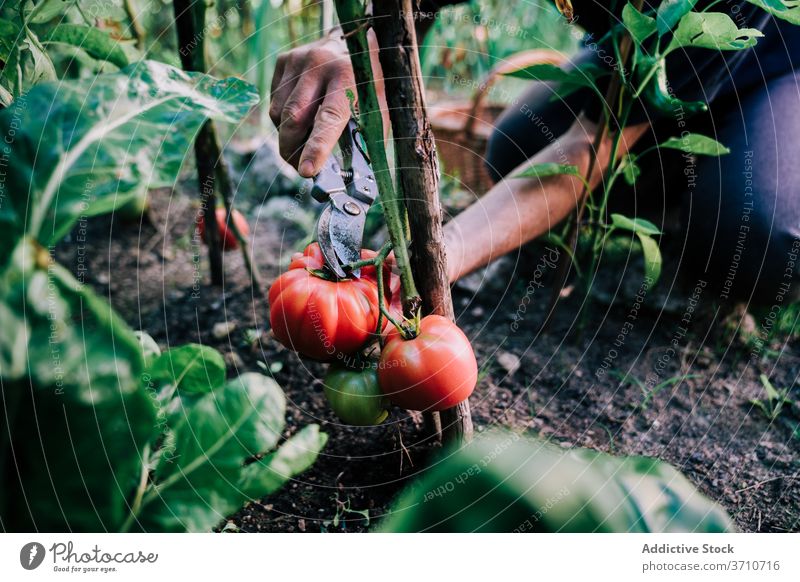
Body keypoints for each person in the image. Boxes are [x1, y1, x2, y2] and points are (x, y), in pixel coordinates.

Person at [269, 1, 800, 304]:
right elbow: (400, 10)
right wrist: (351, 46)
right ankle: (673, 151)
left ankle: (711, 183)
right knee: (519, 144)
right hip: (637, 54)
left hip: (776, 61)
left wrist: (439, 256)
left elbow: (584, 149)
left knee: (751, 238)